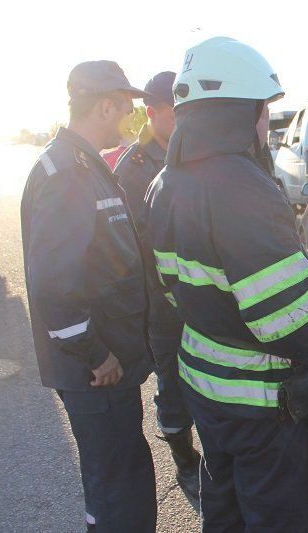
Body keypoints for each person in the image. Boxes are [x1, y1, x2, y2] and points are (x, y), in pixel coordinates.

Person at [143, 36, 308, 532]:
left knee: (225, 508)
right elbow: (291, 318)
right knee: (278, 518)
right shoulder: (240, 186)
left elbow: (173, 292)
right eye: (263, 110)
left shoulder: (164, 183)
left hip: (205, 386)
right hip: (261, 403)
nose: (267, 123)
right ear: (238, 111)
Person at [20, 60, 156, 532]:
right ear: (105, 105)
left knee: (124, 473)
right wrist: (95, 353)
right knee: (116, 483)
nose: (129, 120)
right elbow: (53, 282)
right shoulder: (68, 173)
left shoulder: (84, 164)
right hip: (97, 370)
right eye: (126, 109)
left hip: (107, 362)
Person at [114, 71, 201, 508]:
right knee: (173, 385)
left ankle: (216, 456)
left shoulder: (196, 155)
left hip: (203, 299)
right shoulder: (133, 169)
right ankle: (186, 463)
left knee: (211, 377)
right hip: (164, 306)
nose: (186, 120)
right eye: (176, 112)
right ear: (152, 113)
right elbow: (141, 244)